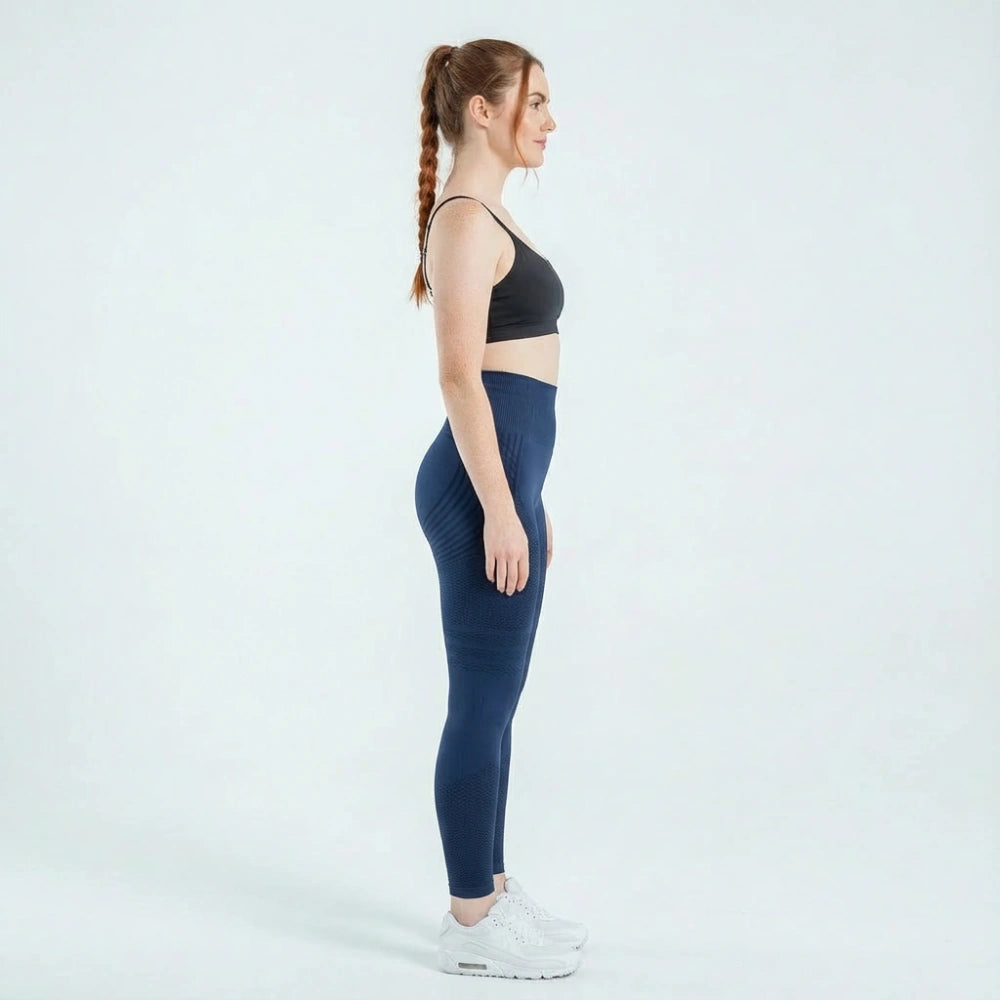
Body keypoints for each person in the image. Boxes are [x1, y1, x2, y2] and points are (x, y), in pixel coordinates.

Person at [410, 39, 587, 980]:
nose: (551, 120)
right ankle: (470, 922)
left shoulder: (487, 215)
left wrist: (525, 499)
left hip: (503, 484)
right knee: (480, 702)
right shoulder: (464, 221)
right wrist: (499, 508)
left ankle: (492, 885)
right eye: (538, 101)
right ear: (483, 110)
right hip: (476, 490)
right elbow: (458, 377)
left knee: (499, 699)